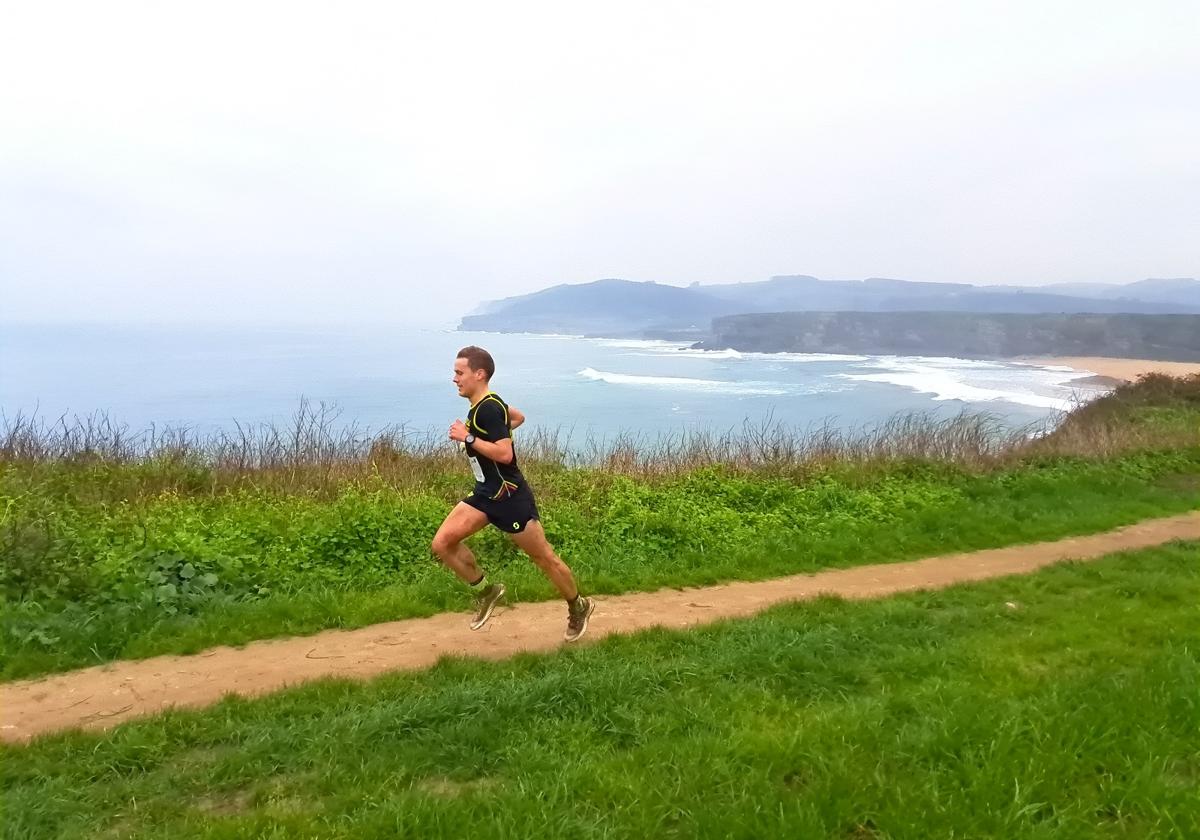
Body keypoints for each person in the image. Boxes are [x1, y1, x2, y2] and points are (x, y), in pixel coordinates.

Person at [431, 345, 595, 642]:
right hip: (485, 495)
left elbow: (505, 455)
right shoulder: (488, 406)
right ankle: (487, 591)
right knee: (442, 543)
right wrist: (489, 433)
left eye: (459, 372)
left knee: (544, 558)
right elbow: (517, 417)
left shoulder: (489, 409)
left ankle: (578, 605)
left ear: (479, 374)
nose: (454, 379)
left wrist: (467, 436)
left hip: (510, 499)